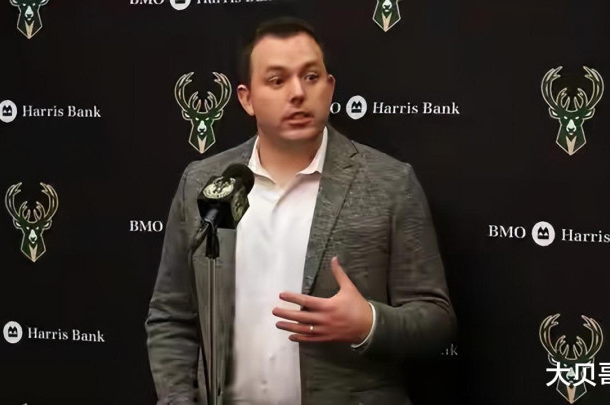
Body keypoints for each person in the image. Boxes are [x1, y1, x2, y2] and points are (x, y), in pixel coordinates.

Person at [146, 17, 455, 405]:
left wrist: (369, 323)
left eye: (310, 77)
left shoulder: (390, 183)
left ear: (330, 87)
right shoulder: (203, 182)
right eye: (277, 80)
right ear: (246, 98)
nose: (297, 93)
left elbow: (435, 318)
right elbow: (172, 316)